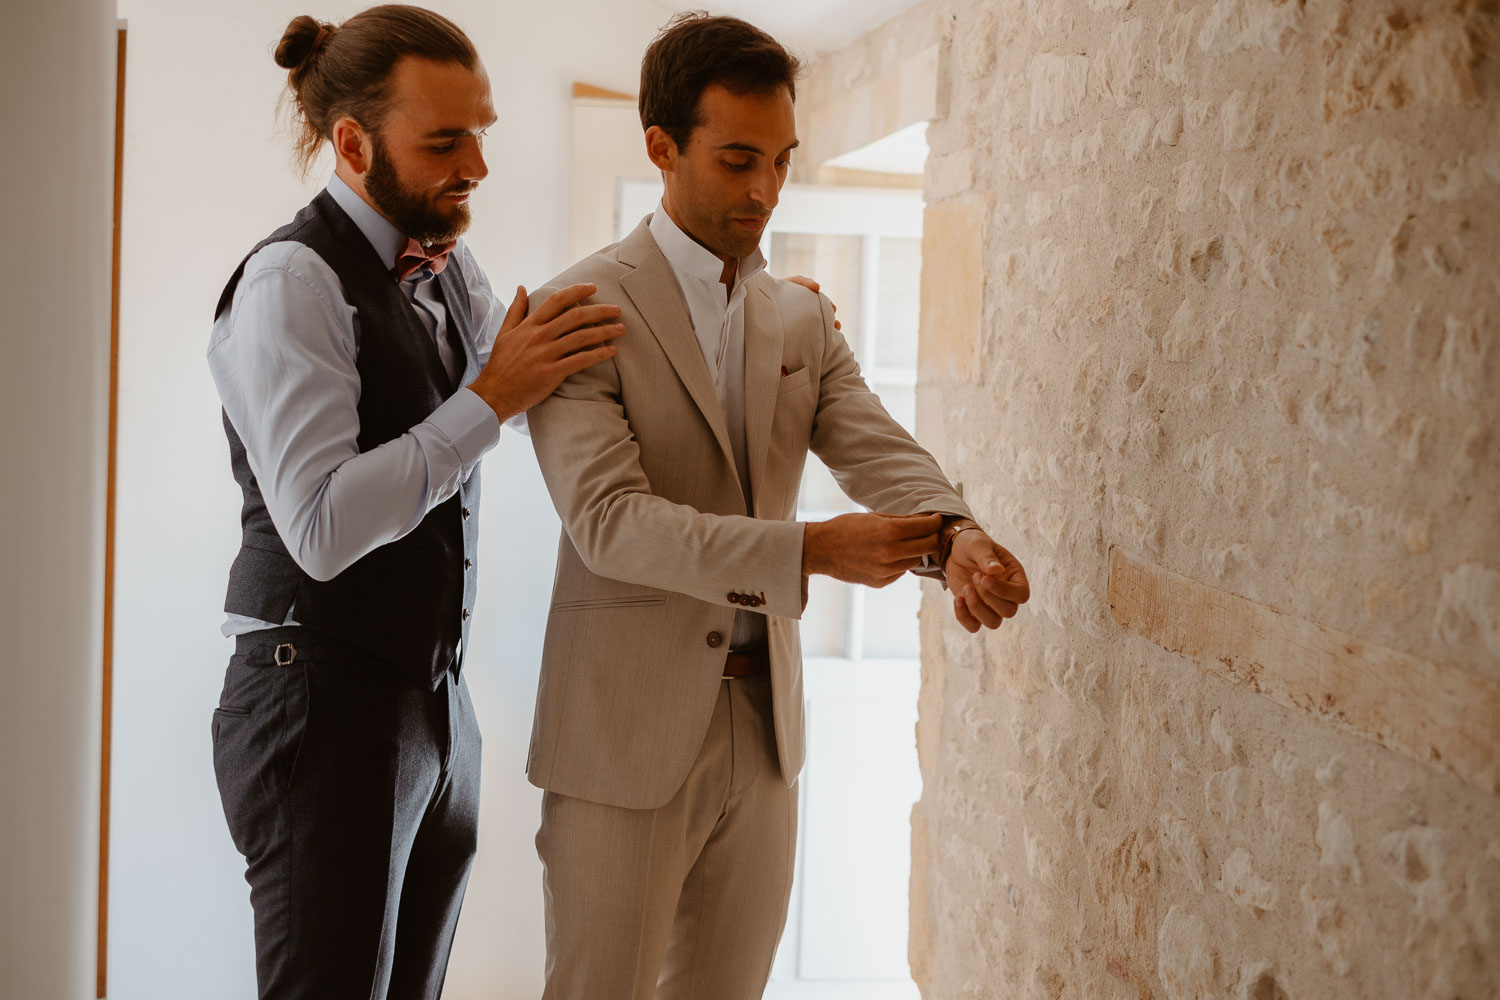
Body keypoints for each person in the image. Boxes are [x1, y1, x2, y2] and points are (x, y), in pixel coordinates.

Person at [523, 13, 1031, 999]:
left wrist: (954, 533)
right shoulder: (575, 311)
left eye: (783, 160)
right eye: (738, 159)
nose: (764, 190)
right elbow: (610, 523)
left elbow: (872, 441)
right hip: (620, 733)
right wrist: (810, 552)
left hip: (767, 733)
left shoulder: (801, 316)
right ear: (661, 148)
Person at [204, 6, 622, 997]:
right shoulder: (292, 280)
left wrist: (747, 306)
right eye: (444, 141)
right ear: (352, 144)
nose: (476, 162)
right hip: (319, 702)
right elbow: (321, 524)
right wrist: (488, 398)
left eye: (482, 130)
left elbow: (529, 378)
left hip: (434, 706)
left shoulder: (445, 264)